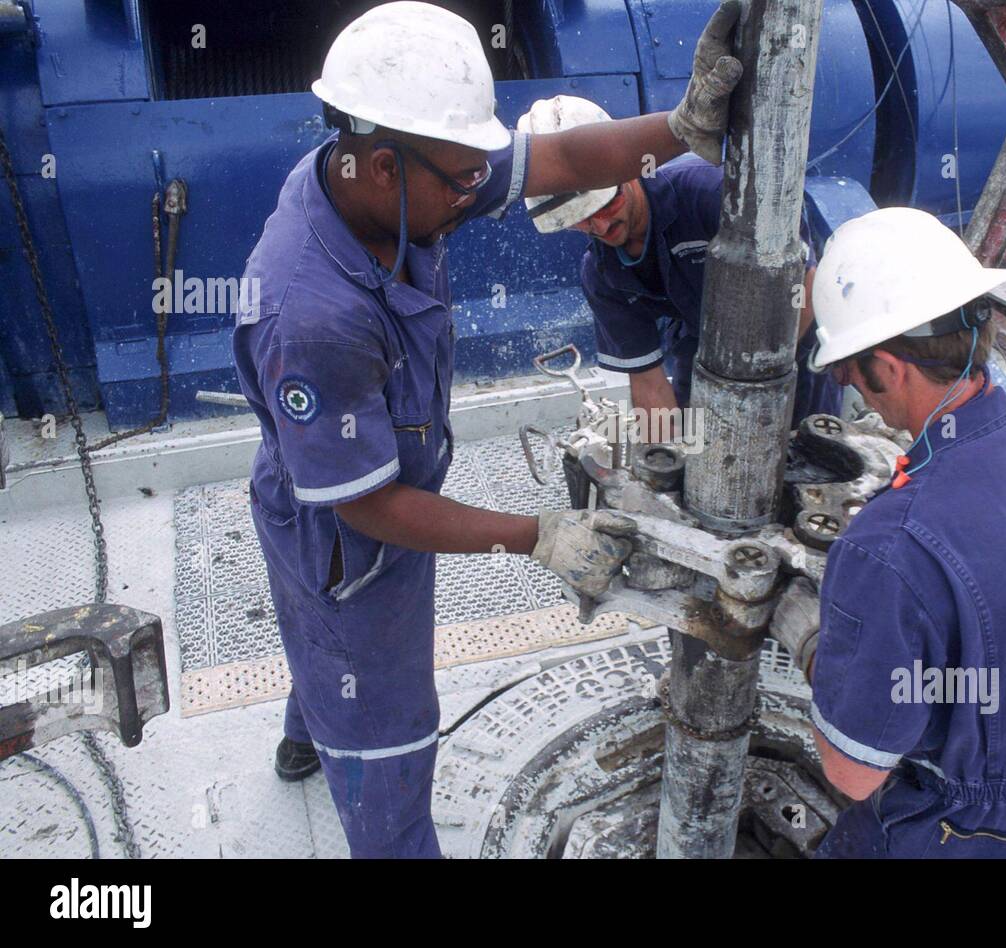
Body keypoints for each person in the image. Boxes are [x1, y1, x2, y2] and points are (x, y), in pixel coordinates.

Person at [232, 0, 744, 858]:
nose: (481, 190)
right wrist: (537, 536)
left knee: (323, 649)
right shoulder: (310, 312)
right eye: (466, 178)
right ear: (388, 168)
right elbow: (369, 506)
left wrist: (685, 123)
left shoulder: (382, 171)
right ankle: (370, 787)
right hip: (351, 535)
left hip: (364, 474)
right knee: (385, 719)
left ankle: (305, 728)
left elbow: (570, 157)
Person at [770, 207, 1006, 858]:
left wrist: (809, 637)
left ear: (889, 367)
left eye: (847, 372)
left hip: (973, 831)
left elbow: (850, 774)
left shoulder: (891, 545)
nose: (852, 391)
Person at [518, 95, 841, 440]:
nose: (599, 226)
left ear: (627, 170)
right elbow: (648, 382)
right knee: (696, 446)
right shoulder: (602, 276)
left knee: (805, 454)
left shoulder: (714, 194)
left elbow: (802, 286)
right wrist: (663, 463)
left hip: (789, 338)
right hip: (702, 343)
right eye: (579, 221)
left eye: (605, 204)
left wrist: (761, 379)